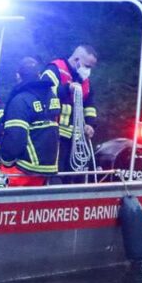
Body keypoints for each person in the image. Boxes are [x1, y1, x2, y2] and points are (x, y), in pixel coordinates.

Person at [0, 56, 60, 186]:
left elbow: (15, 138)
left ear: (18, 76)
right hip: (47, 170)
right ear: (38, 75)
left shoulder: (20, 100)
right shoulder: (52, 97)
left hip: (23, 169)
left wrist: (6, 160)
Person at [40, 45, 99, 181]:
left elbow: (89, 105)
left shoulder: (85, 81)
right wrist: (66, 88)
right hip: (53, 135)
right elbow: (43, 94)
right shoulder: (55, 69)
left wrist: (90, 124)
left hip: (75, 138)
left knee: (71, 176)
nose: (88, 71)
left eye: (91, 67)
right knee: (54, 175)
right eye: (87, 66)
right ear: (76, 59)